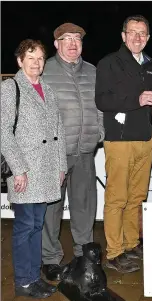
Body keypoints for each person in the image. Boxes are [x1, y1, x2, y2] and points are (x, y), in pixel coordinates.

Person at [1, 39, 66, 298]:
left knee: (37, 225)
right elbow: (3, 133)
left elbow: (58, 130)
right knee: (26, 226)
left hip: (47, 169)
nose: (36, 62)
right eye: (31, 57)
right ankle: (24, 281)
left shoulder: (47, 90)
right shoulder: (10, 88)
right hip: (26, 171)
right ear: (20, 61)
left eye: (40, 58)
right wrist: (18, 169)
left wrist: (61, 165)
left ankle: (34, 275)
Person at [95, 15, 152, 273]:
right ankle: (114, 252)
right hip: (120, 141)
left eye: (142, 33)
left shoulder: (151, 65)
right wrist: (136, 99)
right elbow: (102, 100)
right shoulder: (109, 63)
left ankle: (131, 244)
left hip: (145, 139)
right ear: (123, 36)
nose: (137, 37)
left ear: (148, 38)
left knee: (137, 197)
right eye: (132, 32)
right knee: (116, 198)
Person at [40, 22, 104, 282]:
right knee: (51, 208)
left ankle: (82, 255)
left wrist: (99, 133)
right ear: (56, 44)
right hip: (55, 154)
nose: (72, 43)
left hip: (86, 151)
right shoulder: (45, 71)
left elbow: (101, 107)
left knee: (84, 206)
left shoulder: (93, 71)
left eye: (77, 38)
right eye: (66, 38)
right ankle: (50, 259)